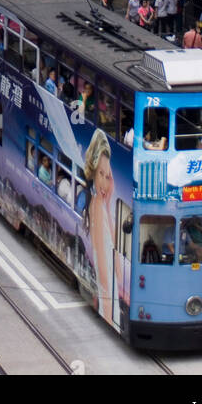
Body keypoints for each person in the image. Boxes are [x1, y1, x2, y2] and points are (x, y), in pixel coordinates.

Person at [80, 129, 117, 323]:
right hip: (109, 295)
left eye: (108, 176)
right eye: (101, 174)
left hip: (113, 291)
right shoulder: (96, 206)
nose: (104, 182)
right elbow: (103, 270)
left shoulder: (103, 205)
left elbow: (115, 255)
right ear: (93, 172)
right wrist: (110, 314)